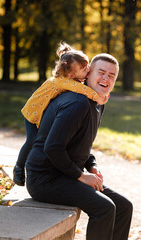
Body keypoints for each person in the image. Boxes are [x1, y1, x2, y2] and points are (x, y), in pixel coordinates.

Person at [25, 53, 133, 240]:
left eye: (112, 75)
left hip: (65, 174)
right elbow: (53, 147)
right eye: (101, 72)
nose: (106, 78)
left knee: (124, 206)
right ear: (88, 73)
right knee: (105, 208)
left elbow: (80, 142)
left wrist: (92, 165)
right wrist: (81, 176)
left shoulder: (96, 101)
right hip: (44, 179)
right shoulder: (77, 103)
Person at [13, 42, 108, 186]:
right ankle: (19, 167)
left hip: (41, 112)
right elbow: (83, 90)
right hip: (32, 114)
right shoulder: (63, 82)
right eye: (84, 68)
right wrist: (98, 97)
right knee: (32, 140)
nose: (88, 69)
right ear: (71, 74)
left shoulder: (70, 79)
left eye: (88, 65)